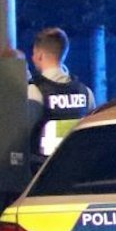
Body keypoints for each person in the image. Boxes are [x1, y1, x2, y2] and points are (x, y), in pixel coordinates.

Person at [25, 27, 94, 164]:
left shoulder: (34, 92)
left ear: (39, 55)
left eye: (33, 54)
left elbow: (21, 138)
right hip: (77, 169)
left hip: (42, 173)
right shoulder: (85, 92)